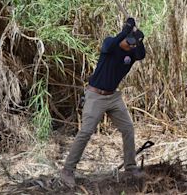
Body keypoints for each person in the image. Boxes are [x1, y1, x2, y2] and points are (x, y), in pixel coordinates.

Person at [60, 17, 145, 188]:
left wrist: (140, 39)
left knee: (128, 128)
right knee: (86, 132)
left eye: (132, 44)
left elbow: (141, 55)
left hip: (113, 97)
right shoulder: (110, 45)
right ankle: (67, 170)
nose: (130, 46)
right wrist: (125, 30)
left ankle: (130, 167)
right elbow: (109, 46)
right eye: (128, 42)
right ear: (122, 38)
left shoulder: (131, 53)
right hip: (95, 96)